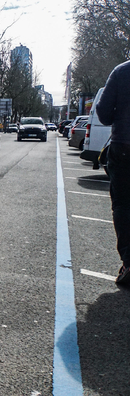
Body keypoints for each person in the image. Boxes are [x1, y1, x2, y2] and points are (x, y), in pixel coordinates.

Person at [97, 59, 130, 284]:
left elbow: (104, 112)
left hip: (125, 146)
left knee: (123, 204)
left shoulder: (122, 71)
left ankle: (129, 262)